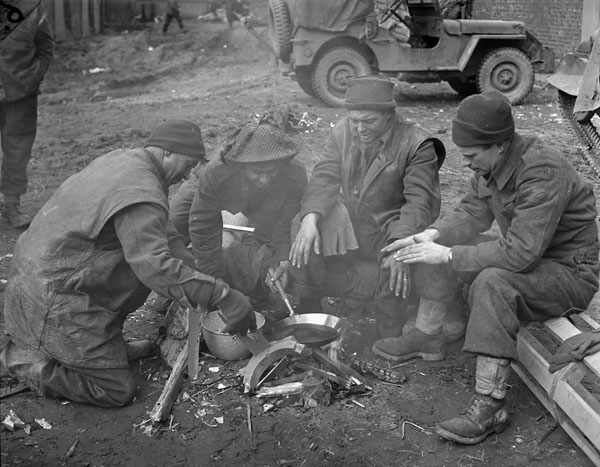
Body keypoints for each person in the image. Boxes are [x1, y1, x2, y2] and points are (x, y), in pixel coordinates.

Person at [382, 90, 599, 444]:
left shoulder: (541, 170)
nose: (466, 163)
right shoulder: (493, 163)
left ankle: (491, 403)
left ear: (499, 144)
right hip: (534, 262)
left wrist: (448, 256)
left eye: (471, 155)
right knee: (441, 247)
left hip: (568, 275)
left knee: (491, 281)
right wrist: (431, 235)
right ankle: (429, 334)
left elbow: (520, 255)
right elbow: (471, 212)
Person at [0, 120, 256, 408]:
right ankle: (26, 364)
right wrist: (222, 295)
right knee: (116, 390)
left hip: (42, 272)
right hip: (54, 295)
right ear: (167, 152)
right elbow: (155, 267)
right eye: (189, 163)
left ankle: (106, 347)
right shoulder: (142, 191)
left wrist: (200, 276)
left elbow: (162, 235)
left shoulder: (126, 161)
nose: (187, 176)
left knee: (137, 264)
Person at [288, 76, 458, 341]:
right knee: (304, 223)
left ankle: (389, 333)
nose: (360, 128)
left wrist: (400, 244)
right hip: (356, 221)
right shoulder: (342, 130)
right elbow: (324, 178)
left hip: (392, 226)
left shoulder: (418, 144)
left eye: (369, 121)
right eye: (355, 120)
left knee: (396, 260)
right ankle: (309, 303)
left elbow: (419, 204)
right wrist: (310, 220)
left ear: (390, 115)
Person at [169, 116, 307, 299]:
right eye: (258, 172)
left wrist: (281, 259)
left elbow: (283, 222)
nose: (265, 179)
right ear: (242, 166)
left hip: (258, 197)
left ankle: (259, 283)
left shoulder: (293, 173)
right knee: (173, 226)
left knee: (268, 234)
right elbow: (204, 226)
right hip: (208, 186)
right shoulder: (217, 173)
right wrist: (215, 280)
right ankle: (172, 289)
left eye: (270, 171)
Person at [0, 4, 54, 228]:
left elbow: (45, 44)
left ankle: (12, 204)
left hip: (21, 92)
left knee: (18, 149)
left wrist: (34, 77)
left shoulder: (30, 6)